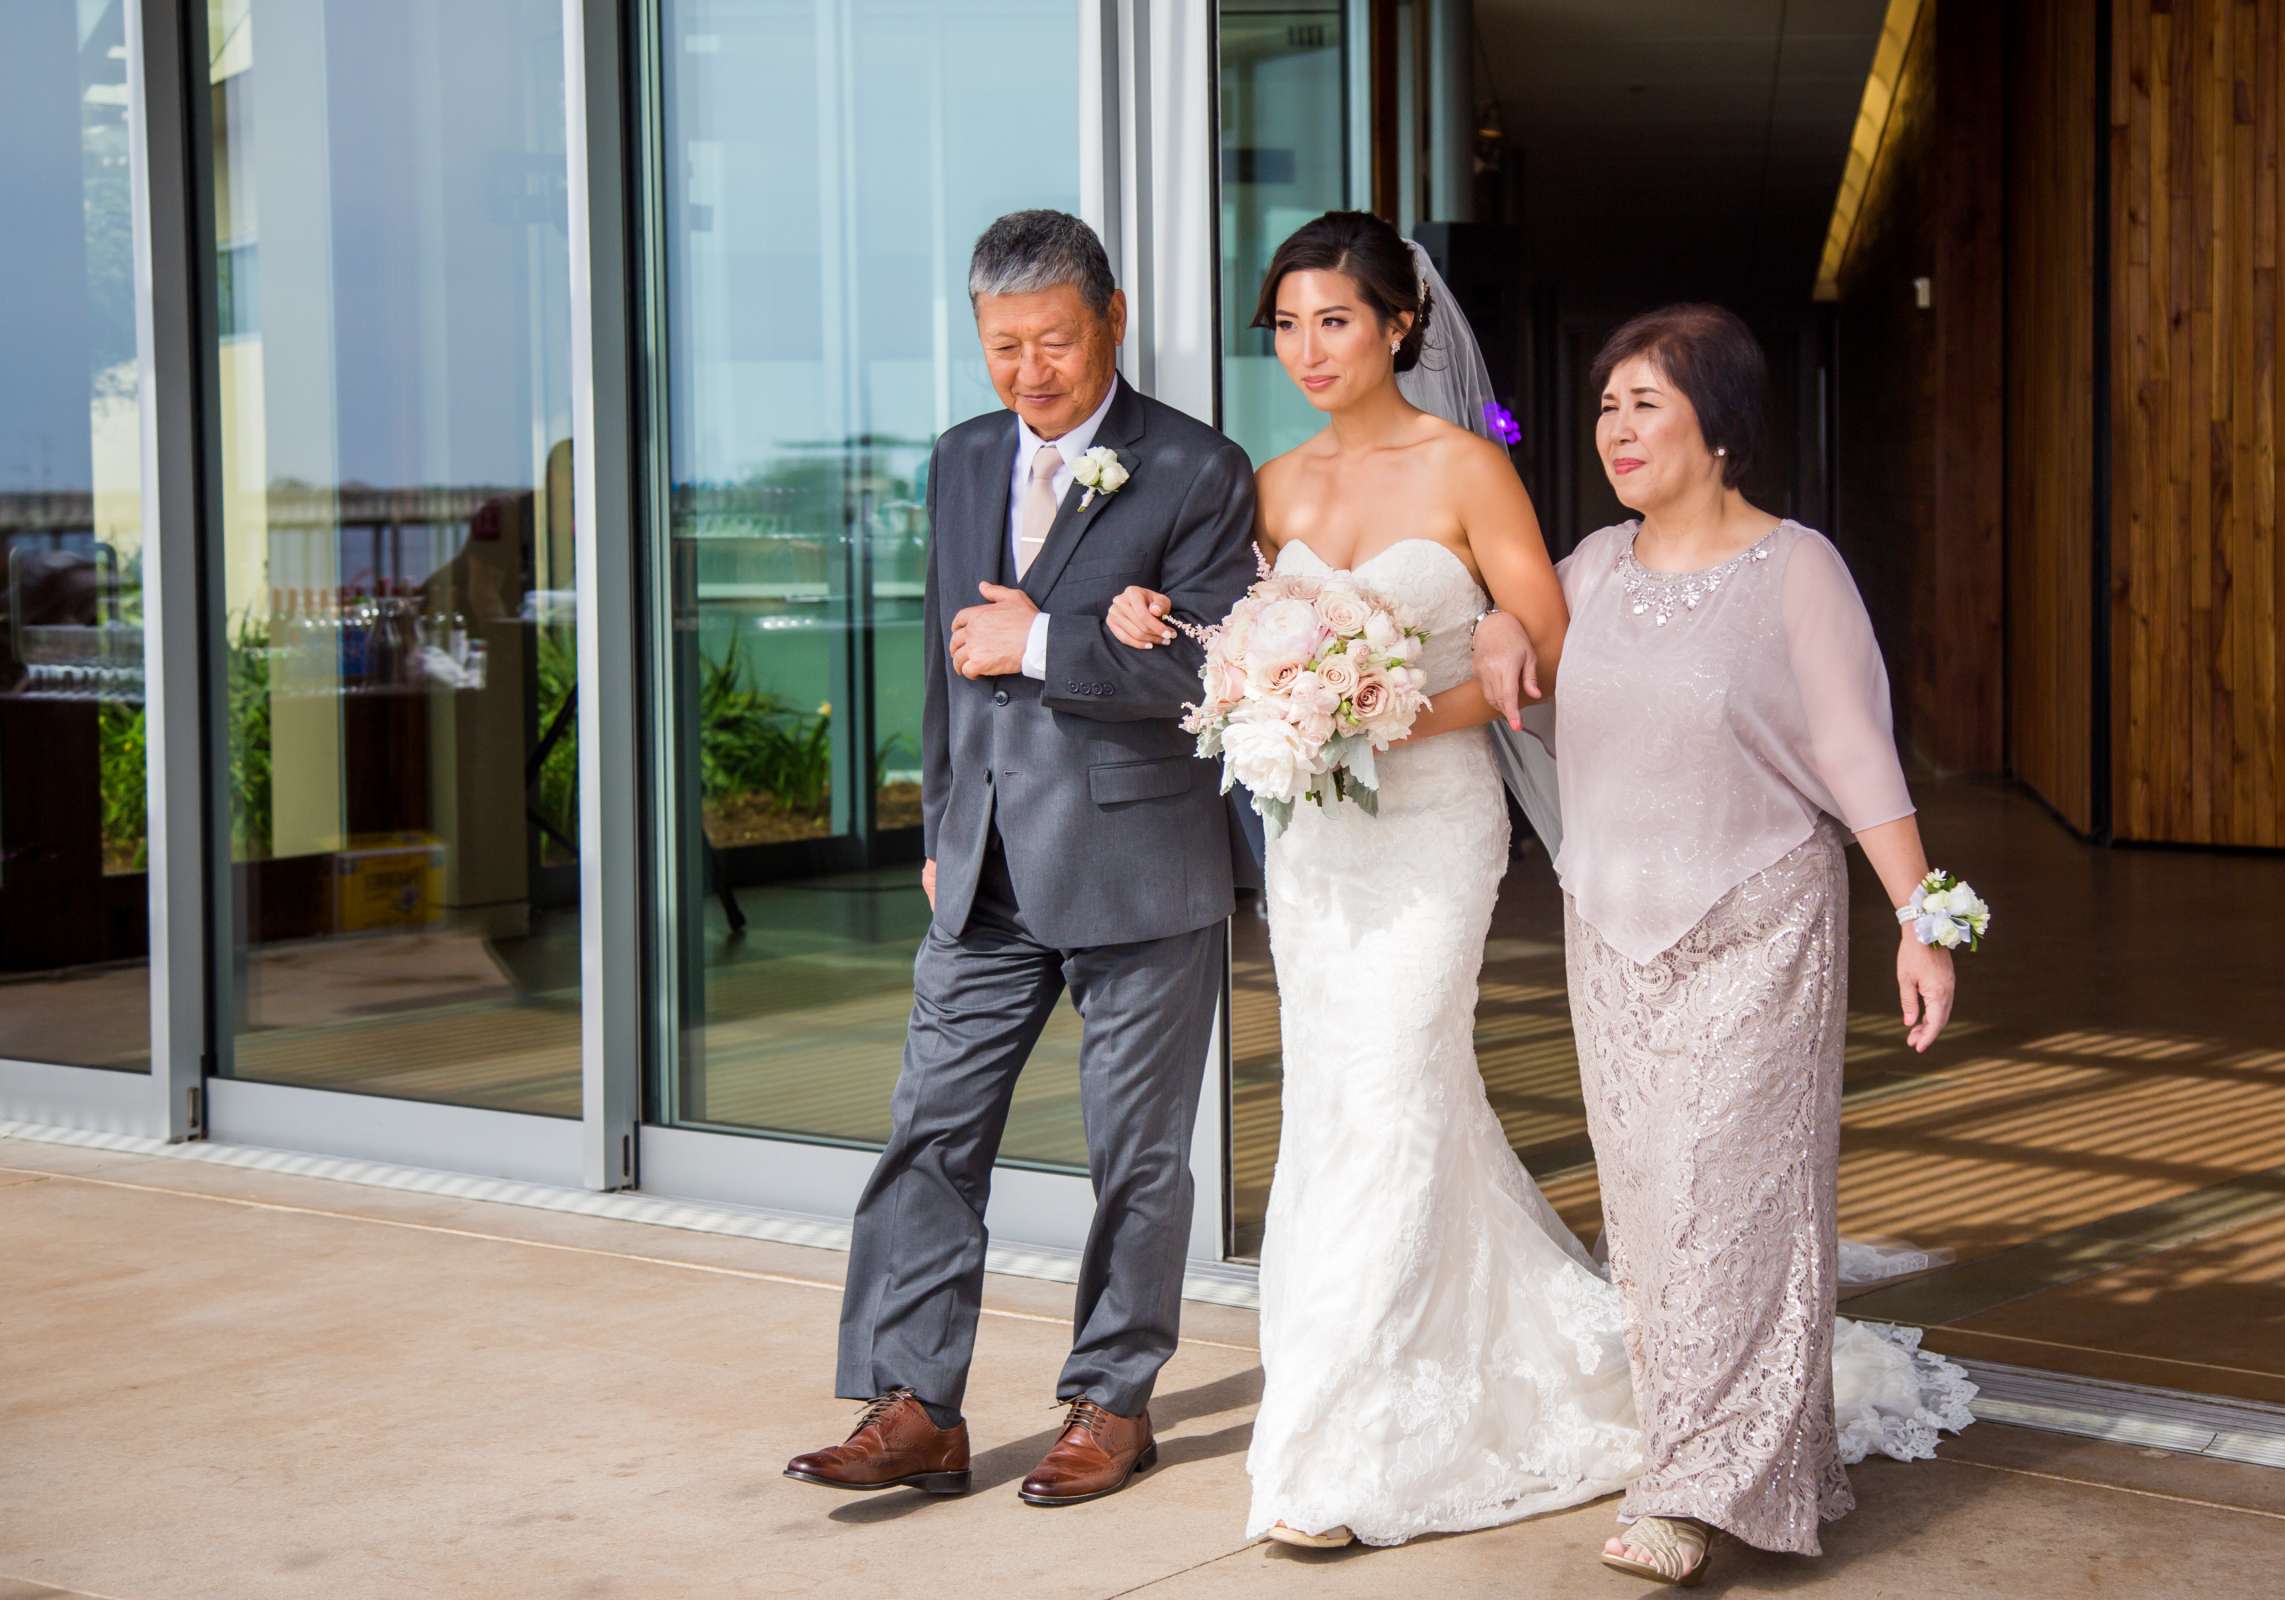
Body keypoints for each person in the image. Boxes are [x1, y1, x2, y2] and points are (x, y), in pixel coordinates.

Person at [1108, 225, 1975, 1566]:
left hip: (1600, 879)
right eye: (1285, 324)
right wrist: (1204, 661)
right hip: (1421, 874)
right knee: (1416, 1137)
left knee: (1473, 1120)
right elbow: (1295, 645)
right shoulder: (1337, 501)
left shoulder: (1692, 536)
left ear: (1400, 326)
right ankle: (1402, 1420)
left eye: (1335, 319)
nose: (1306, 348)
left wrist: (1925, 918)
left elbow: (1793, 729)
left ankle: (1591, 1479)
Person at [1469, 303, 1966, 1584]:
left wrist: (1922, 918)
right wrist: (1501, 631)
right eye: (1606, 405)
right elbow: (1538, 709)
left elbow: (1858, 752)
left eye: (1647, 401)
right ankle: (1735, 1454)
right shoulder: (1583, 569)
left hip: (1758, 926)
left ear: (1722, 424)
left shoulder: (1796, 567)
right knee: (1651, 1219)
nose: (1617, 429)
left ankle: (1694, 1492)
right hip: (1613, 940)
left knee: (1735, 1209)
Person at [783, 209, 1257, 1509]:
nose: (1030, 370)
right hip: (983, 867)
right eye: (1004, 346)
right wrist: (942, 822)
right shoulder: (959, 458)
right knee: (929, 1129)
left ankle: (1113, 1403)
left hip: (1141, 868)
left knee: (1134, 1154)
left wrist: (1047, 642)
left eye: (1055, 338)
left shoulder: (1200, 468)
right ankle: (915, 1408)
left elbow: (1221, 667)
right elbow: (944, 661)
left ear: (1112, 316)